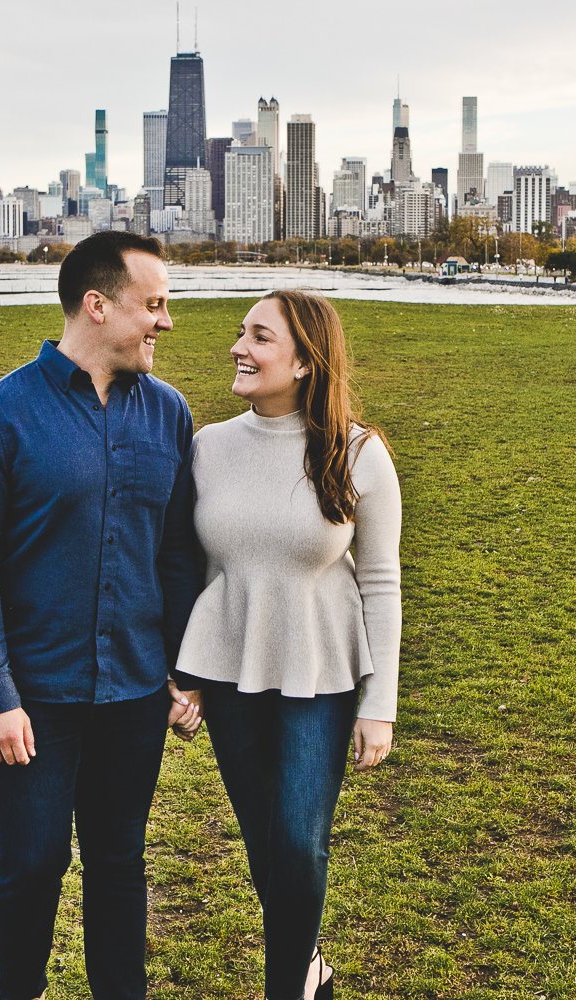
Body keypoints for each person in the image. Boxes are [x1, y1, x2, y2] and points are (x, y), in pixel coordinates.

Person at [0, 231, 203, 1000]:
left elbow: (177, 554)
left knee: (119, 861)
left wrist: (185, 672)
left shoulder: (169, 415)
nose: (167, 323)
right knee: (33, 863)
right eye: (153, 305)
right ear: (96, 305)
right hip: (33, 701)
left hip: (134, 694)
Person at [175, 290, 402, 1000]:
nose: (239, 348)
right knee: (265, 843)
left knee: (301, 842)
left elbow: (382, 583)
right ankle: (307, 966)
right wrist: (184, 678)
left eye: (260, 338)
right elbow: (196, 569)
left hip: (322, 672)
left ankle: (290, 988)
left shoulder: (360, 452)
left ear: (304, 360)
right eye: (240, 333)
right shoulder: (207, 446)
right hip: (229, 668)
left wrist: (381, 703)